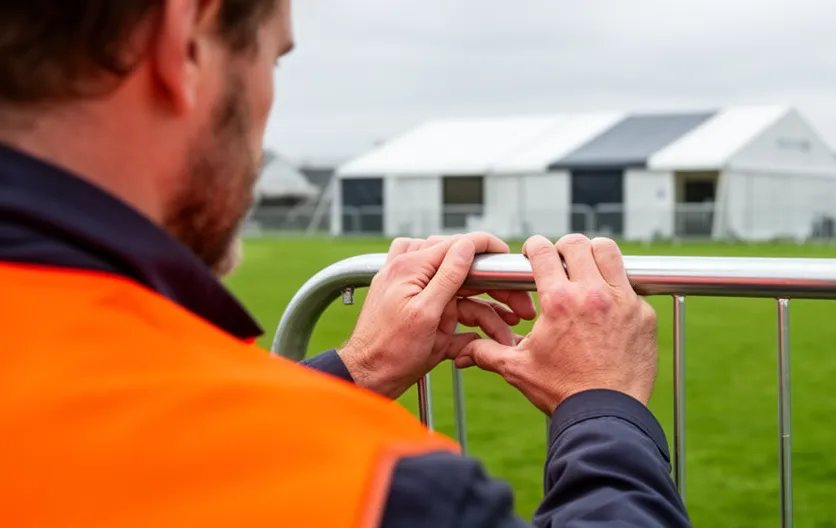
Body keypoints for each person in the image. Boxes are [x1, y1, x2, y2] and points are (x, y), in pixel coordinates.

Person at [0, 1, 692, 526]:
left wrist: (355, 371)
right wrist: (604, 407)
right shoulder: (379, 489)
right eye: (272, 60)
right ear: (184, 43)